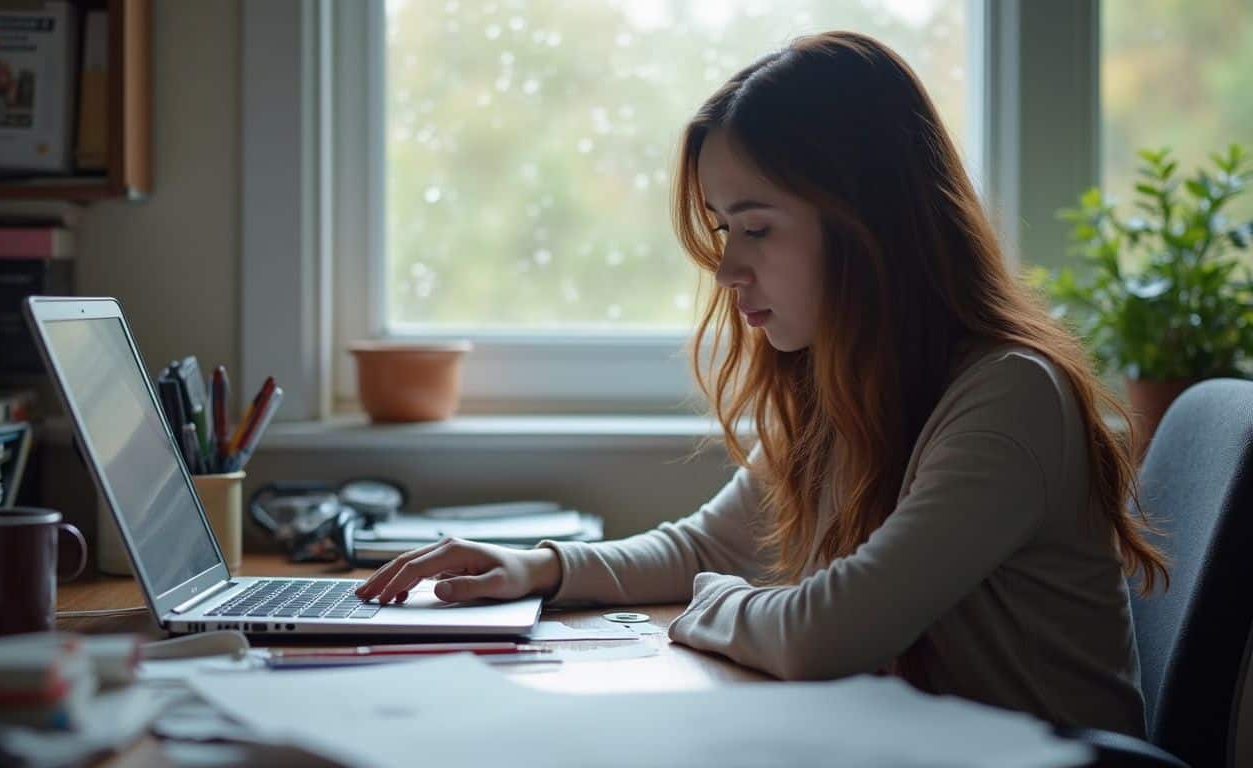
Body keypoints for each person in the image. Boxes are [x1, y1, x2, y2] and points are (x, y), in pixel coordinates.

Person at [355, 31, 1168, 736]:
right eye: (721, 228)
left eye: (756, 227)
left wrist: (710, 603)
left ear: (867, 223)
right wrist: (537, 568)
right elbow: (706, 545)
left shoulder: (1009, 396)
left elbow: (824, 635)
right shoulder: (849, 389)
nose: (728, 266)